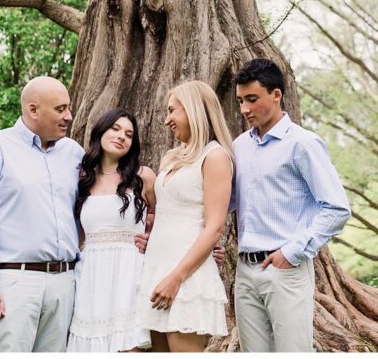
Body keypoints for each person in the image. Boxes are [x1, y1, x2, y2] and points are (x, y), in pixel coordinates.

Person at [231, 58, 351, 352]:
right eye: (241, 100)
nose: (245, 109)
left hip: (285, 269)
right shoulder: (239, 146)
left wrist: (292, 251)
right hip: (245, 270)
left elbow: (337, 208)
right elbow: (227, 203)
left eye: (252, 99)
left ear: (276, 95)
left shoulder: (303, 144)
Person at [0, 76, 83, 352]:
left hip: (65, 282)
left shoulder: (74, 153)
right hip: (14, 281)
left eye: (69, 108)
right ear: (33, 109)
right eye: (61, 109)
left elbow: (85, 212)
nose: (69, 116)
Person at [138, 81, 235, 352]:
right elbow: (169, 213)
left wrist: (176, 277)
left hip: (185, 277)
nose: (167, 119)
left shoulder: (214, 157)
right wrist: (150, 237)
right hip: (156, 270)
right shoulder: (172, 157)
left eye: (172, 111)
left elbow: (214, 227)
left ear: (193, 111)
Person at [67, 109, 156, 352]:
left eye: (129, 134)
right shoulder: (83, 179)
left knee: (127, 345)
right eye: (115, 129)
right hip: (92, 275)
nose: (122, 137)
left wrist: (152, 237)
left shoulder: (142, 176)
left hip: (129, 272)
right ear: (101, 131)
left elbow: (160, 215)